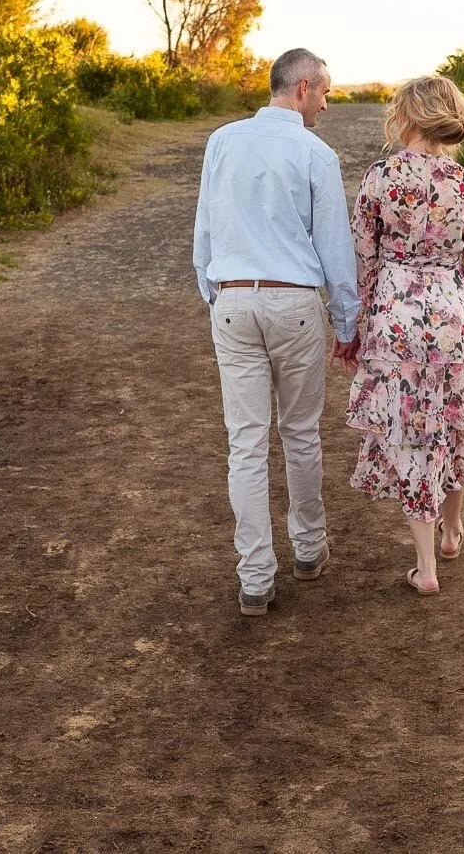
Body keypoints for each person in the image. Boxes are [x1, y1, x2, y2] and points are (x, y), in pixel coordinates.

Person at [192, 48, 361, 616]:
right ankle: (309, 550)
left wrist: (215, 293)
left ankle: (256, 578)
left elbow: (205, 230)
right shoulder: (316, 153)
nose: (328, 104)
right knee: (300, 432)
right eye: (327, 93)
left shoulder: (222, 140)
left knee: (245, 441)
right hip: (293, 305)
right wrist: (346, 322)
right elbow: (335, 247)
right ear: (303, 88)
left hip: (234, 298)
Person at [341, 74, 464, 595]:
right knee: (453, 425)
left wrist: (356, 326)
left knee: (412, 435)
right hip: (454, 317)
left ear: (405, 116)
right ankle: (452, 533)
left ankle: (426, 567)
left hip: (396, 318)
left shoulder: (380, 178)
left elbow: (362, 259)